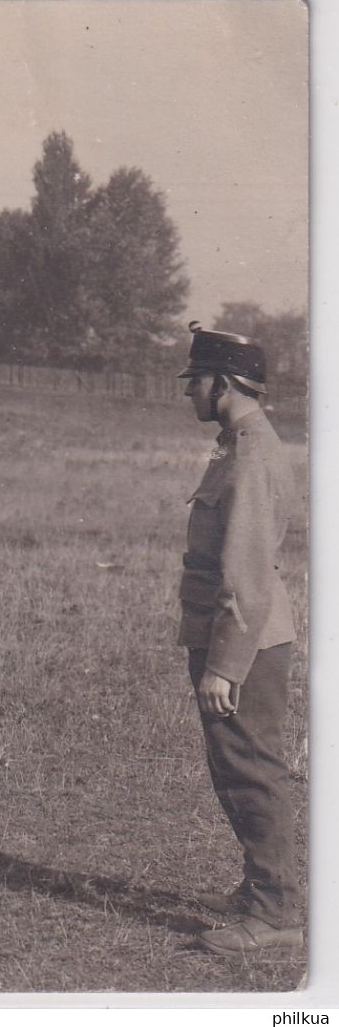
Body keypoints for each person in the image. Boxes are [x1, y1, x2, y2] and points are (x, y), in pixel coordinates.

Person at [175, 324, 302, 954]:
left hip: (243, 640)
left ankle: (274, 911)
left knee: (249, 769)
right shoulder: (238, 444)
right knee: (239, 765)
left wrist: (225, 665)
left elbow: (246, 572)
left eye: (194, 381)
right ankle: (264, 890)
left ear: (221, 383)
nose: (188, 393)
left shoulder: (250, 456)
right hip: (238, 633)